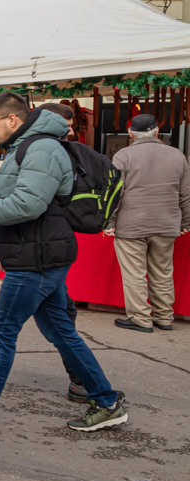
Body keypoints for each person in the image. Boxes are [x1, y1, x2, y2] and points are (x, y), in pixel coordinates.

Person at [0, 92, 127, 433]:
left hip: (36, 257)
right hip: (38, 253)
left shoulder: (40, 148)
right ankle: (105, 399)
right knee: (61, 332)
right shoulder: (30, 146)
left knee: (2, 331)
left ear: (12, 120)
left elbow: (28, 205)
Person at [0, 102, 88, 403]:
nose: (71, 130)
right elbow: (24, 205)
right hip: (29, 252)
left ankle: (94, 388)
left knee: (20, 318)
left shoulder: (35, 151)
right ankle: (87, 385)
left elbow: (29, 204)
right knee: (11, 323)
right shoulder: (36, 152)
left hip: (33, 251)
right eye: (67, 124)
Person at [108, 113, 190, 333]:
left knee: (134, 273)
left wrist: (109, 221)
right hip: (166, 223)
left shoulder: (123, 155)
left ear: (130, 133)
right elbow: (186, 194)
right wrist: (186, 222)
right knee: (163, 271)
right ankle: (164, 317)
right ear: (156, 131)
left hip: (131, 224)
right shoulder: (177, 155)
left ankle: (140, 318)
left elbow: (114, 193)